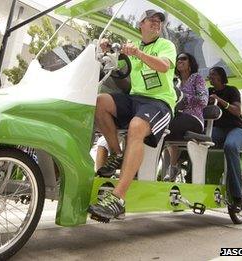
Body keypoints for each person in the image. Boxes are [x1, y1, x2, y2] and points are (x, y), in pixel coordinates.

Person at [88, 9, 177, 221]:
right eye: (151, 20)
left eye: (159, 21)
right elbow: (116, 68)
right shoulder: (131, 47)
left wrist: (137, 53)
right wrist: (105, 49)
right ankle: (117, 154)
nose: (156, 23)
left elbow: (164, 66)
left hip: (160, 102)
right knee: (99, 102)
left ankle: (118, 198)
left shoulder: (166, 45)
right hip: (135, 99)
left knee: (137, 127)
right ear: (141, 25)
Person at [208, 66, 242, 212]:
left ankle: (237, 197)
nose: (210, 77)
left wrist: (219, 100)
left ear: (220, 76)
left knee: (230, 146)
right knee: (198, 141)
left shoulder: (231, 90)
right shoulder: (208, 92)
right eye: (209, 75)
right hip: (218, 130)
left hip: (237, 129)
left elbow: (237, 111)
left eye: (212, 75)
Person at [163, 53, 208, 181]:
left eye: (183, 58)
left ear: (191, 63)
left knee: (167, 124)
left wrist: (182, 96)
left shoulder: (197, 78)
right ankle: (170, 167)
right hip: (176, 117)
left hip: (194, 119)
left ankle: (172, 168)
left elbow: (203, 100)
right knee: (159, 123)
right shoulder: (174, 81)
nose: (179, 61)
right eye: (177, 59)